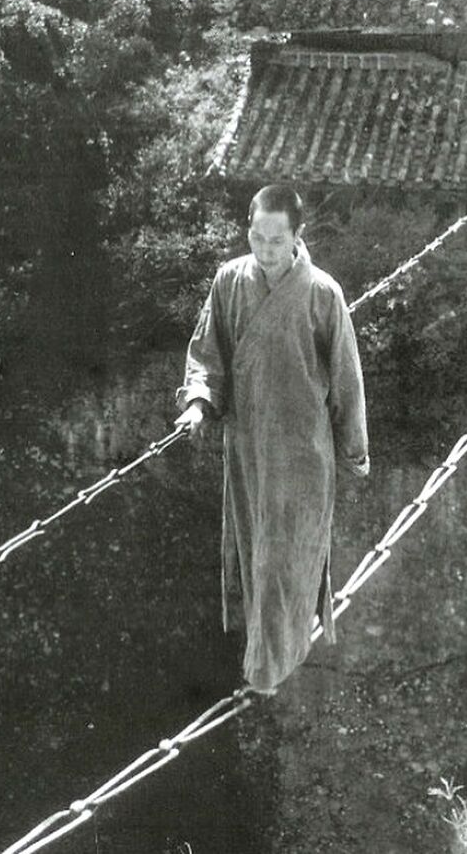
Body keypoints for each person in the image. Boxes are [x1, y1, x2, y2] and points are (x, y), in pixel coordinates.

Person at [175, 185, 369, 694]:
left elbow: (346, 376)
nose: (264, 250)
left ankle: (268, 671)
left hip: (303, 452)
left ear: (298, 237)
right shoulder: (228, 282)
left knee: (286, 557)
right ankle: (266, 660)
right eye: (256, 237)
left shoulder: (323, 293)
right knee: (257, 551)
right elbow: (206, 353)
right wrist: (198, 403)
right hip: (248, 447)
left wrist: (354, 449)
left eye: (276, 241)